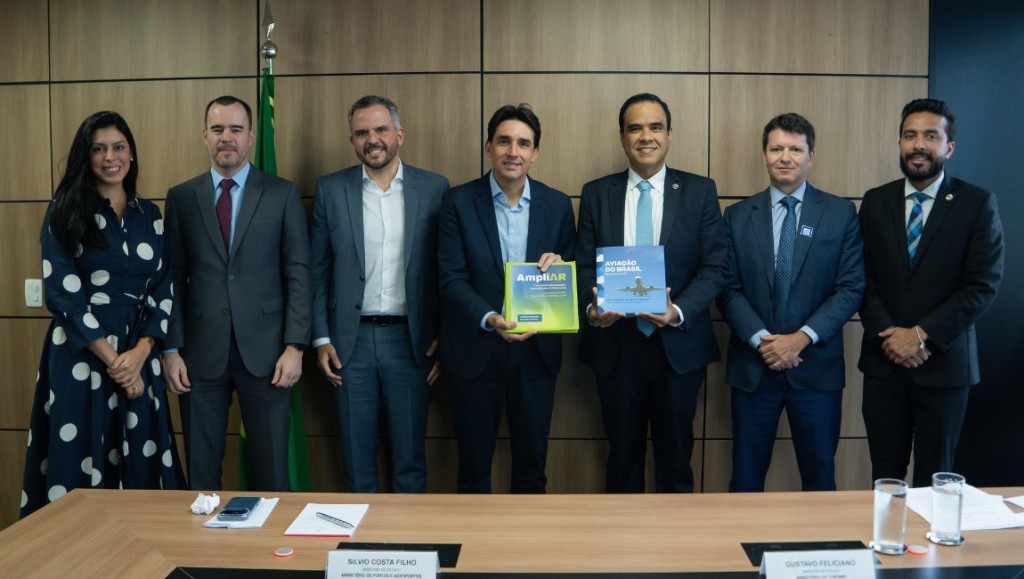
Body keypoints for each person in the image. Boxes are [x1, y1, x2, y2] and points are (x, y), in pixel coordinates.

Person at [21, 111, 185, 517]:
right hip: (82, 356)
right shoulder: (64, 210)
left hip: (139, 356)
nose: (110, 157)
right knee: (79, 456)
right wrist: (117, 364)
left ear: (131, 153)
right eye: (99, 149)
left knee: (141, 461)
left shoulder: (151, 215)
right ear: (86, 156)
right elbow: (63, 295)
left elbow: (164, 287)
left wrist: (140, 354)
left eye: (118, 147)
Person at [577, 93, 728, 493]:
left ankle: (674, 537)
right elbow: (583, 266)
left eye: (655, 127)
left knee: (676, 462)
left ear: (670, 134)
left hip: (677, 349)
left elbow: (716, 267)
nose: (646, 136)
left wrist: (678, 310)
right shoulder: (596, 193)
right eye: (635, 128)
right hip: (616, 347)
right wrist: (592, 310)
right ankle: (621, 537)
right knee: (621, 462)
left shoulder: (699, 191)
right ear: (622, 137)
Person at [163, 95, 311, 491]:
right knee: (201, 472)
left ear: (250, 136)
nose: (226, 137)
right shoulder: (181, 197)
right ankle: (203, 535)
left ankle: (271, 535)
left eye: (235, 129)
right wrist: (170, 349)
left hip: (268, 355)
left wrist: (295, 346)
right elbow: (171, 279)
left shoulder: (281, 193)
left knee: (272, 472)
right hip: (198, 355)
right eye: (217, 129)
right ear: (204, 135)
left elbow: (299, 273)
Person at [859, 98, 1003, 487]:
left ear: (948, 147)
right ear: (899, 143)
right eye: (910, 135)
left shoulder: (976, 203)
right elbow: (862, 277)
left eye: (930, 136)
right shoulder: (875, 201)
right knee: (884, 479)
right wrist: (892, 337)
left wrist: (921, 335)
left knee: (935, 481)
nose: (918, 144)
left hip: (944, 366)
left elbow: (982, 283)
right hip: (884, 362)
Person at [717, 113, 864, 492]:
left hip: (815, 369)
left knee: (820, 479)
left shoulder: (840, 214)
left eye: (795, 150)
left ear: (811, 156)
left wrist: (799, 339)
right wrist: (764, 342)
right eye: (776, 148)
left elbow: (850, 288)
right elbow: (727, 288)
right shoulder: (736, 217)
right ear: (764, 155)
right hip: (754, 368)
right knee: (745, 480)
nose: (785, 157)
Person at [311, 95, 449, 493]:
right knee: (356, 463)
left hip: (412, 343)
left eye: (381, 130)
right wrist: (320, 338)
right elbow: (317, 270)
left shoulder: (435, 188)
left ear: (399, 135)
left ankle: (410, 534)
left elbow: (448, 270)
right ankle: (361, 536)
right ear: (352, 141)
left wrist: (446, 338)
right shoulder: (330, 190)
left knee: (410, 461)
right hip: (348, 345)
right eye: (362, 132)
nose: (372, 139)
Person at [438, 104, 576, 493]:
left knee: (532, 471)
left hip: (536, 353)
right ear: (488, 147)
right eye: (503, 141)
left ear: (535, 152)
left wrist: (561, 268)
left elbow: (574, 272)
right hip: (475, 351)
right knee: (473, 472)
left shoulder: (557, 205)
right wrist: (490, 318)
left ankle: (528, 536)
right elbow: (450, 278)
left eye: (523, 143)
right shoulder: (457, 202)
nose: (513, 151)